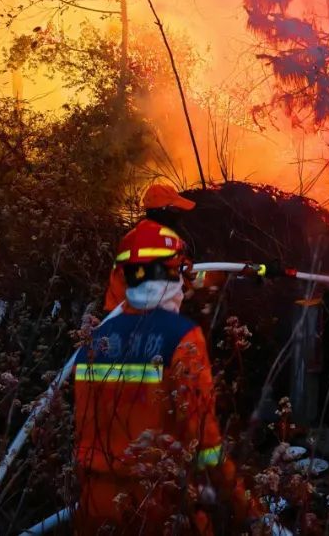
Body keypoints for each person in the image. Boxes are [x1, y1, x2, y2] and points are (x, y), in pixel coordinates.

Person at [74, 221, 259, 534]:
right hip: (158, 504)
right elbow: (205, 444)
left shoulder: (92, 341)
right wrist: (250, 509)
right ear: (175, 274)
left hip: (94, 507)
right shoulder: (182, 336)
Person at [104, 184, 197, 313]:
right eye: (176, 210)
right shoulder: (159, 237)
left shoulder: (136, 235)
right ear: (165, 211)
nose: (180, 216)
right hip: (138, 317)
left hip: (122, 312)